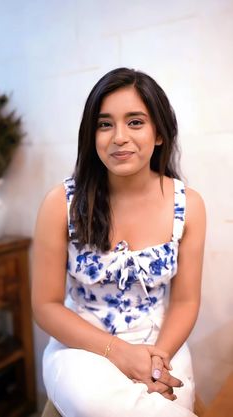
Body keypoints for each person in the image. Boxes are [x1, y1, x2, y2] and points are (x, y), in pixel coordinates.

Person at [32, 67, 206, 417]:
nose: (118, 137)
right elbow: (45, 306)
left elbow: (186, 301)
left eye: (135, 122)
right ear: (91, 135)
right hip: (81, 347)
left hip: (161, 343)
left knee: (169, 401)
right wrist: (119, 352)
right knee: (92, 403)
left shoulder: (189, 205)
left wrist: (158, 359)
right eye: (105, 124)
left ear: (159, 133)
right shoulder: (60, 203)